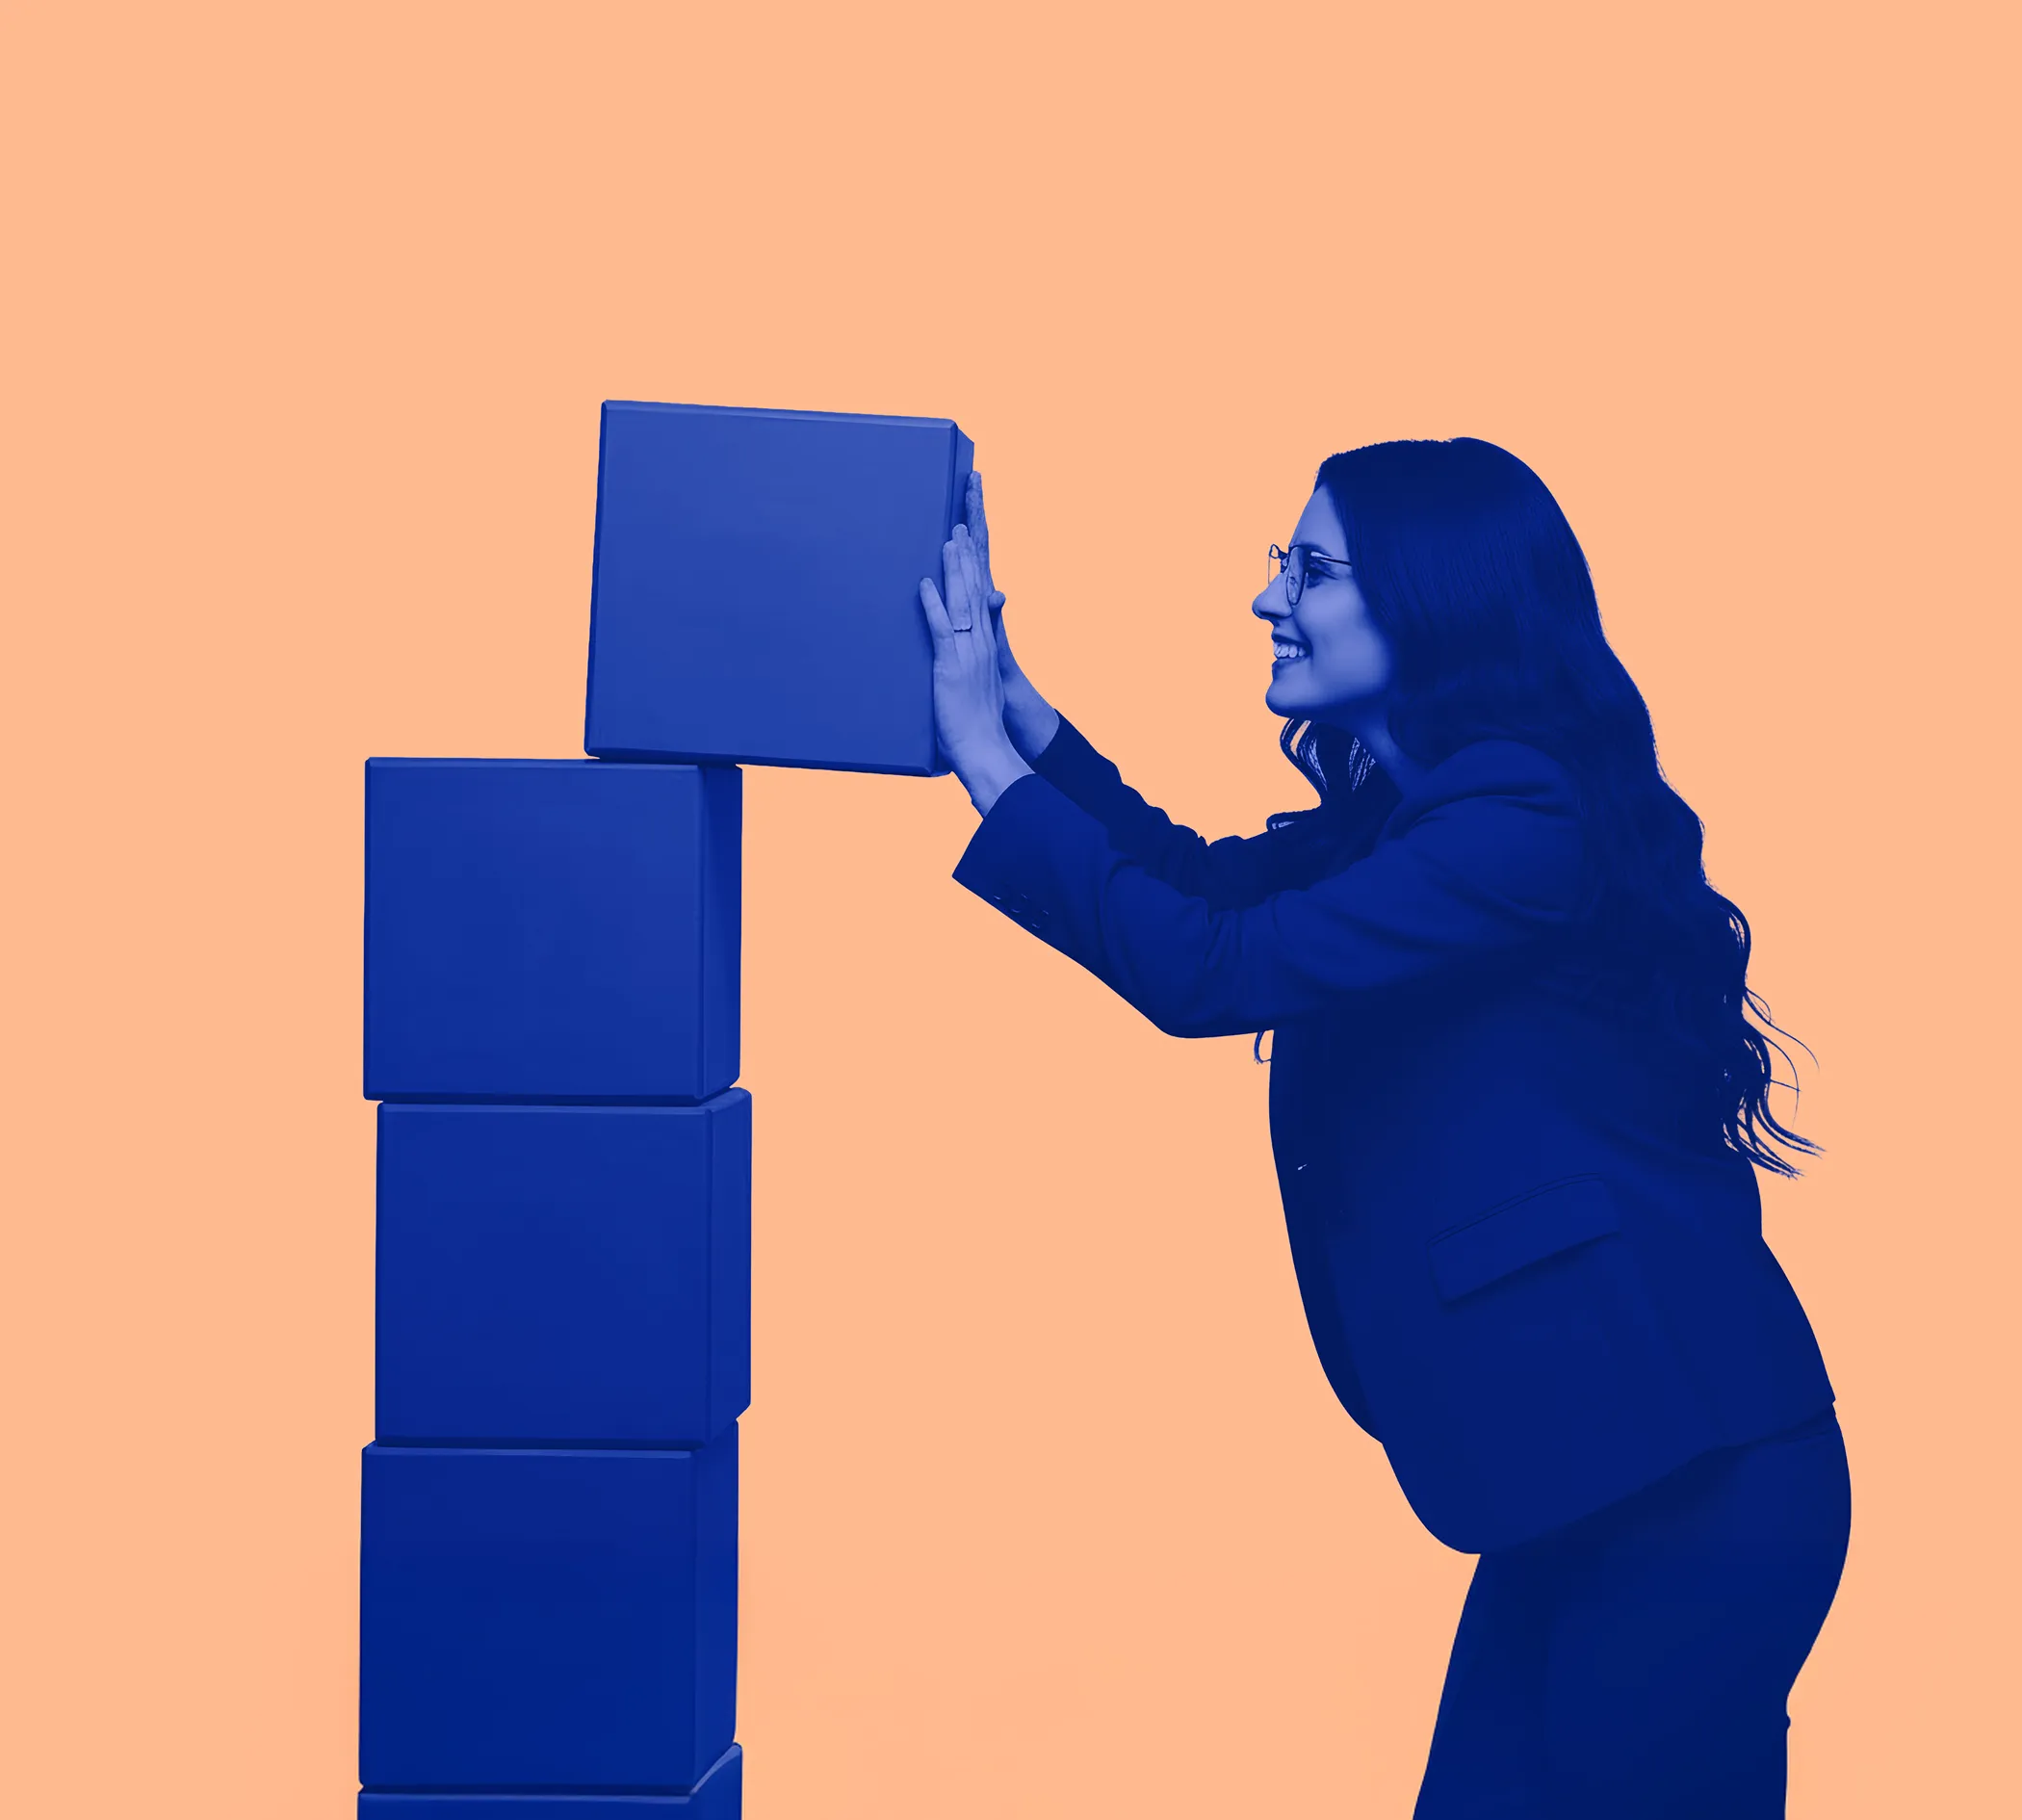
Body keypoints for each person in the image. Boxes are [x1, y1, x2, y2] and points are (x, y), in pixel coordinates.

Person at [918, 441, 1850, 1819]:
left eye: (1312, 567)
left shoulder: (1521, 819)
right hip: (1589, 1470)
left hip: (1689, 1487)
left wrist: (990, 772)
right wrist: (1019, 709)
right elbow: (1207, 888)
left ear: (1432, 599)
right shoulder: (1418, 816)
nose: (1268, 599)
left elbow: (1209, 968)